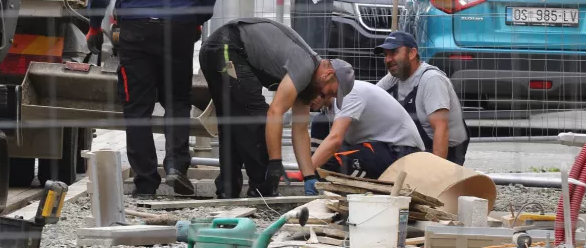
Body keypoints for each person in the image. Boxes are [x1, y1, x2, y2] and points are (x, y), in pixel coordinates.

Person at [85, 0, 219, 197]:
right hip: (179, 30)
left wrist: (93, 24)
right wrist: (196, 19)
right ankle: (175, 167)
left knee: (137, 107)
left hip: (136, 30)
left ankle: (146, 182)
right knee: (176, 101)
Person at [198, 18, 355, 199]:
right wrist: (274, 162)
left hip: (217, 49)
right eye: (330, 93)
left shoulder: (307, 85)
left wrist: (309, 176)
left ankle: (228, 190)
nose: (326, 99)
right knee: (257, 119)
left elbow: (300, 130)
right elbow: (275, 112)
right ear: (328, 75)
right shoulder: (305, 66)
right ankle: (263, 189)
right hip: (226, 47)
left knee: (234, 123)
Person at [375, 31, 471, 165]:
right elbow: (370, 99)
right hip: (416, 149)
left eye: (394, 53)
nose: (388, 59)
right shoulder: (393, 79)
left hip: (446, 154)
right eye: (385, 55)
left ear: (412, 53)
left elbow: (441, 129)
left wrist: (434, 173)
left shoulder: (431, 80)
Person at [310, 80, 424, 179]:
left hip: (400, 152)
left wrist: (306, 172)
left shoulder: (348, 93)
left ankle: (351, 194)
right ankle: (315, 181)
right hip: (378, 148)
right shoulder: (329, 110)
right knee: (319, 124)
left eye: (311, 92)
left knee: (331, 161)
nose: (309, 99)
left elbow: (335, 140)